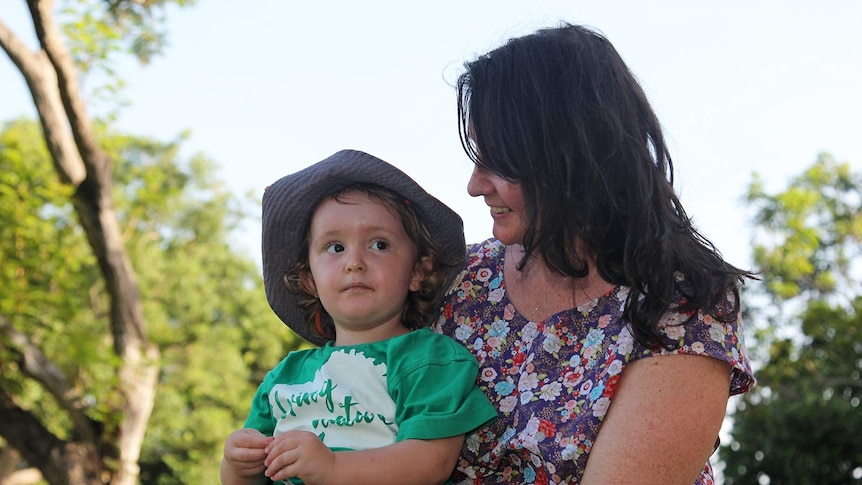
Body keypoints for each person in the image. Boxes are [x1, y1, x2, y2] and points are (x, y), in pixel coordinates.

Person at [427, 23, 757, 484]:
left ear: (568, 155)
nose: (475, 185)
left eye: (498, 161)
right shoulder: (456, 280)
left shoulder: (681, 308)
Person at [220, 150, 497, 485]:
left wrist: (332, 468)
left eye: (379, 245)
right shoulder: (284, 378)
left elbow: (430, 461)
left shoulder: (430, 361)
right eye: (335, 248)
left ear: (418, 271)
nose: (354, 262)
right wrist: (238, 467)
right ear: (309, 278)